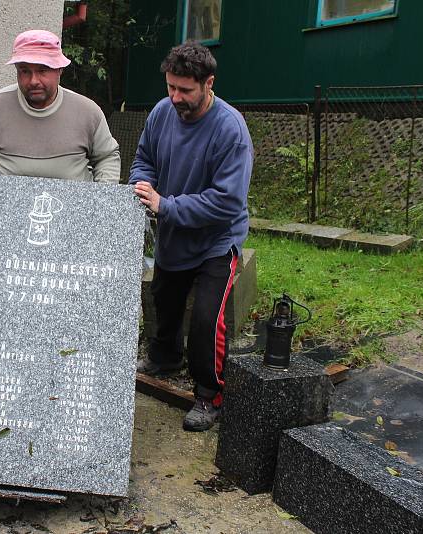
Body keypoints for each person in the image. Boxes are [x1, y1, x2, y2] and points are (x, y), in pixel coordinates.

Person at [129, 41, 252, 432]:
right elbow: (144, 157)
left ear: (208, 83)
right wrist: (141, 184)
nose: (175, 97)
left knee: (205, 320)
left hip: (217, 239)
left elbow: (226, 202)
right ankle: (165, 358)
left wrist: (166, 206)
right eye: (170, 87)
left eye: (185, 90)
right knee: (164, 298)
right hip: (175, 232)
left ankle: (209, 394)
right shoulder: (162, 113)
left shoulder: (230, 130)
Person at [0, 30, 120, 183]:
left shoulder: (87, 112)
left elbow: (106, 157)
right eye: (25, 71)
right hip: (6, 208)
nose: (34, 80)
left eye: (43, 70)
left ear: (60, 70)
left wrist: (100, 200)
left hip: (72, 209)